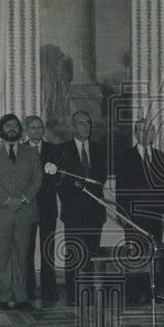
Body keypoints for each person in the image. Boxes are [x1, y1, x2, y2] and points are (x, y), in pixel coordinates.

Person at [0, 113, 42, 310]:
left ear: (20, 129)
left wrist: (23, 199)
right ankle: (3, 297)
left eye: (15, 125)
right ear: (1, 130)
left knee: (22, 255)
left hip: (26, 212)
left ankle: (21, 296)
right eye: (7, 125)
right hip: (2, 213)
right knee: (3, 255)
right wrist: (8, 200)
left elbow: (37, 180)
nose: (12, 128)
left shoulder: (31, 153)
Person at [115, 118, 164, 305]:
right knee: (135, 253)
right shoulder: (124, 157)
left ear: (154, 133)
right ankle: (132, 294)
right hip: (133, 215)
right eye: (141, 131)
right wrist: (121, 213)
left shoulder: (162, 157)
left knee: (153, 254)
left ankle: (152, 292)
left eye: (149, 131)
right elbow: (121, 189)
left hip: (155, 216)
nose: (145, 134)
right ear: (135, 134)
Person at [54, 111, 107, 307]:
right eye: (81, 123)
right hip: (73, 211)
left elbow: (100, 178)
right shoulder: (62, 150)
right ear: (73, 127)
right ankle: (73, 295)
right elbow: (59, 182)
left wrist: (87, 192)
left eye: (88, 122)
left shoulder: (100, 149)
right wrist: (75, 197)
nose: (86, 126)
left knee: (91, 255)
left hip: (94, 211)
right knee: (74, 254)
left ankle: (89, 293)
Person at [23, 115, 61, 305]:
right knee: (27, 251)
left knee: (48, 250)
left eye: (39, 127)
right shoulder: (20, 150)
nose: (37, 131)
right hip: (27, 207)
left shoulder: (53, 150)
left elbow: (58, 177)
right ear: (26, 130)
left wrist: (50, 181)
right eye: (32, 128)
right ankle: (29, 289)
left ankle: (49, 290)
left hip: (47, 207)